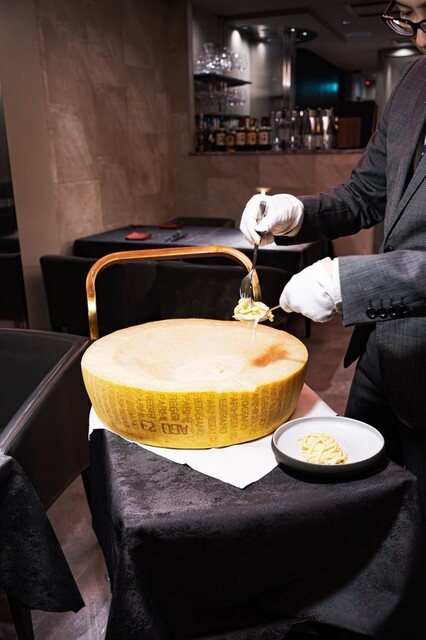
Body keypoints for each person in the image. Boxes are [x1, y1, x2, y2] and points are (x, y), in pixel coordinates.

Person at [240, 0, 426, 512]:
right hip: (380, 356)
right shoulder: (414, 81)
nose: (420, 39)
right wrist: (297, 213)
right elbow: (367, 193)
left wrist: (349, 282)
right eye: (407, 17)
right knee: (360, 508)